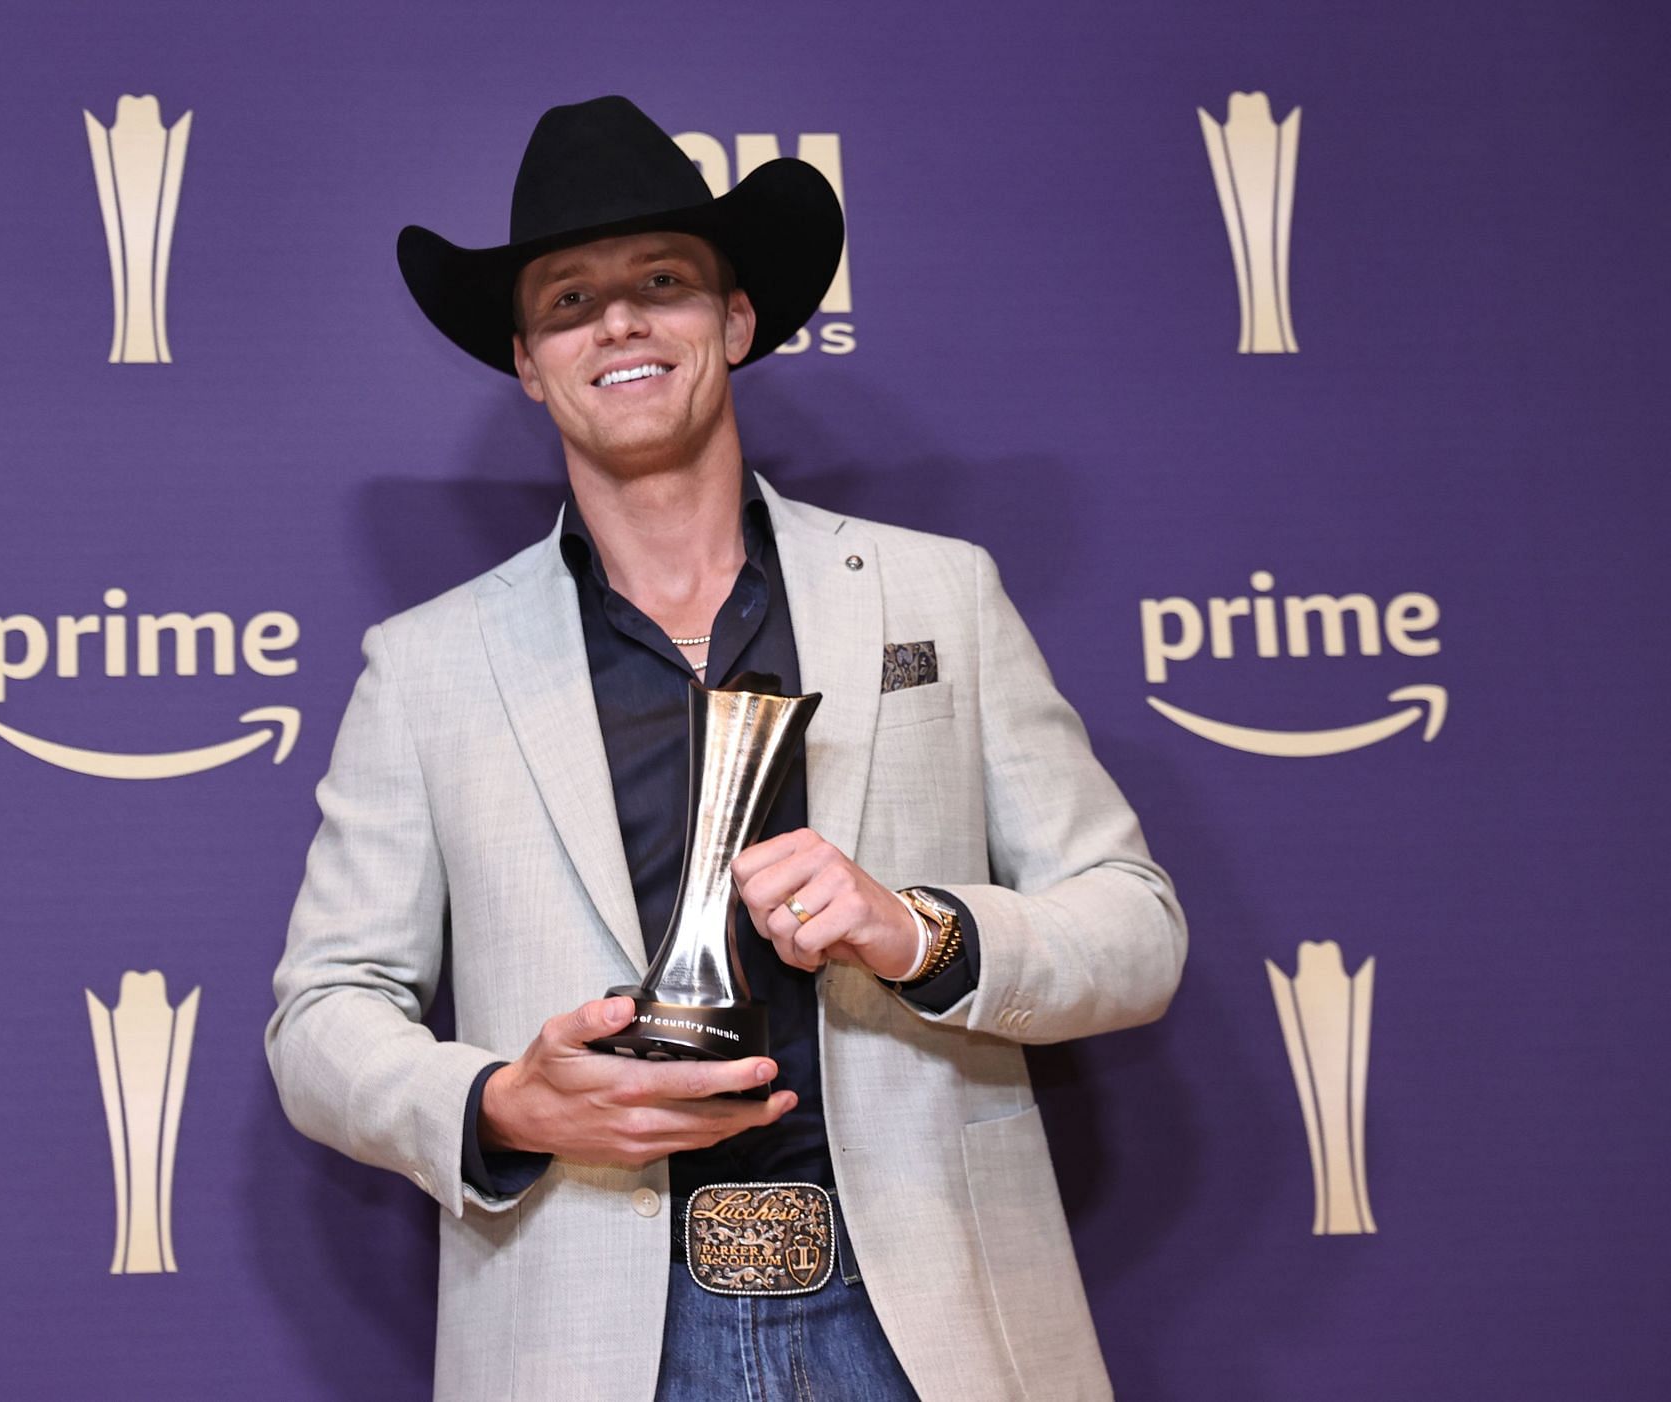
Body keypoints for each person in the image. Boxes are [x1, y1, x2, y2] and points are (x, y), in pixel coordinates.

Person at [267, 95, 1186, 1402]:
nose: (621, 322)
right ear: (527, 361)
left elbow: (1137, 928)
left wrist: (921, 930)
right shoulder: (426, 668)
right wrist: (504, 1105)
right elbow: (324, 1016)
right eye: (570, 300)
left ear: (736, 321)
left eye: (662, 284)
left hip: (932, 1316)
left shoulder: (937, 597)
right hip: (597, 1333)